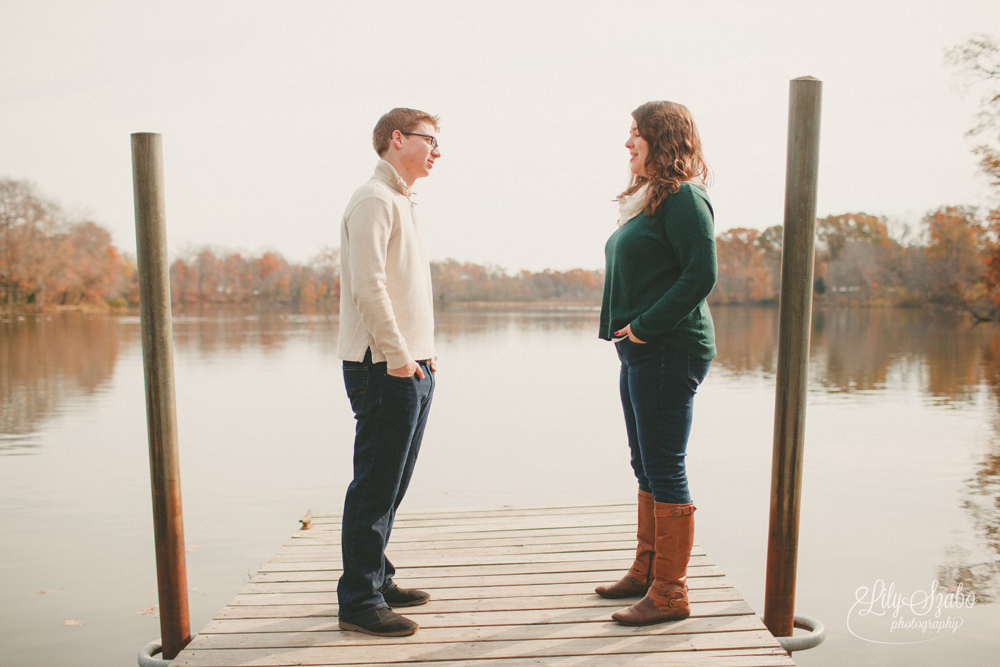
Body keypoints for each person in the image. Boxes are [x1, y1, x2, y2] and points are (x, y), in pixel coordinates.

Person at [595, 101, 718, 627]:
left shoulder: (686, 198)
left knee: (665, 464)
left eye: (636, 135)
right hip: (643, 350)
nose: (627, 144)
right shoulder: (648, 201)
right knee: (644, 461)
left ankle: (671, 592)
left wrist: (644, 326)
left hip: (669, 348)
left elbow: (700, 275)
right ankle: (647, 570)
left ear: (661, 139)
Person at [336, 107, 441, 637]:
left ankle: (376, 576)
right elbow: (369, 285)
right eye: (429, 140)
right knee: (375, 485)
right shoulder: (373, 198)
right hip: (384, 366)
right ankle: (358, 600)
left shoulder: (401, 200)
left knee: (393, 484)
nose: (437, 151)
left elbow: (404, 290)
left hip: (409, 363)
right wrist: (400, 357)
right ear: (396, 139)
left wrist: (422, 352)